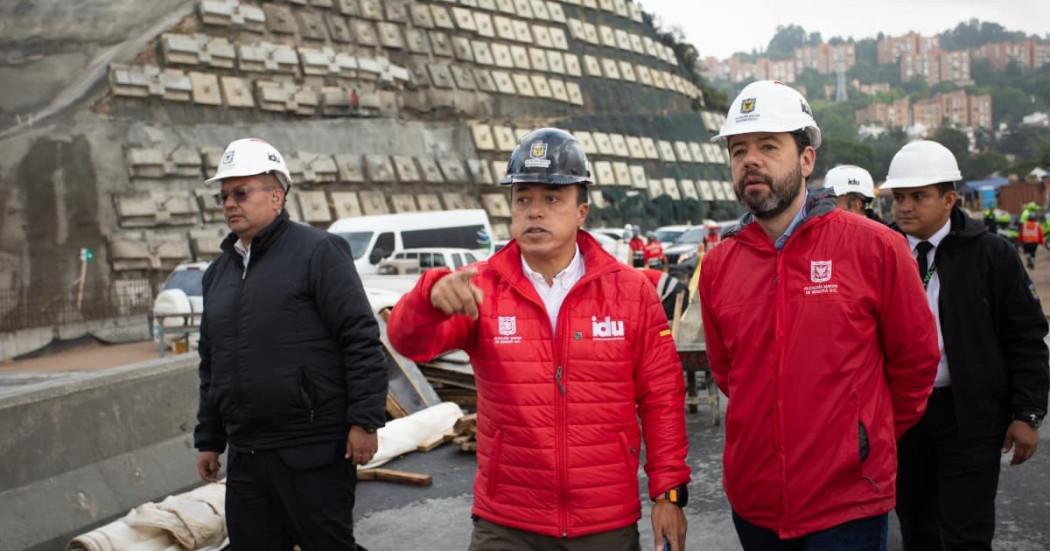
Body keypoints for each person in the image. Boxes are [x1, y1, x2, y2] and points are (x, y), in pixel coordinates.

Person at [387, 128, 691, 551]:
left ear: (581, 210)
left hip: (603, 521)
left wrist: (669, 494)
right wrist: (428, 298)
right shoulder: (481, 288)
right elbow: (408, 343)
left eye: (552, 198)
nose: (535, 211)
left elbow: (661, 397)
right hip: (507, 522)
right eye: (523, 198)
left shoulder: (630, 291)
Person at [698, 80, 940, 549]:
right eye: (739, 149)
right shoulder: (719, 265)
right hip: (755, 503)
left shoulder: (874, 248)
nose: (750, 160)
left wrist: (863, 438)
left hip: (847, 502)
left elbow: (916, 364)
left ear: (807, 160)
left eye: (768, 146)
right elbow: (729, 372)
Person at [193, 138, 388, 551]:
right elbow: (212, 363)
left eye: (241, 192)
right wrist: (209, 439)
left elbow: (359, 338)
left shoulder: (318, 252)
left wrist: (365, 420)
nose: (230, 202)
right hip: (247, 453)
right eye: (224, 194)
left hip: (312, 447)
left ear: (277, 196)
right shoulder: (217, 275)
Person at [883, 139, 1049, 550]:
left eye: (919, 196)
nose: (905, 206)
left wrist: (1027, 413)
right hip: (900, 417)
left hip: (969, 416)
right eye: (899, 196)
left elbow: (1026, 337)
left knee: (966, 536)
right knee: (917, 530)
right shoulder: (877, 251)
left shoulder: (992, 254)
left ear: (949, 199)